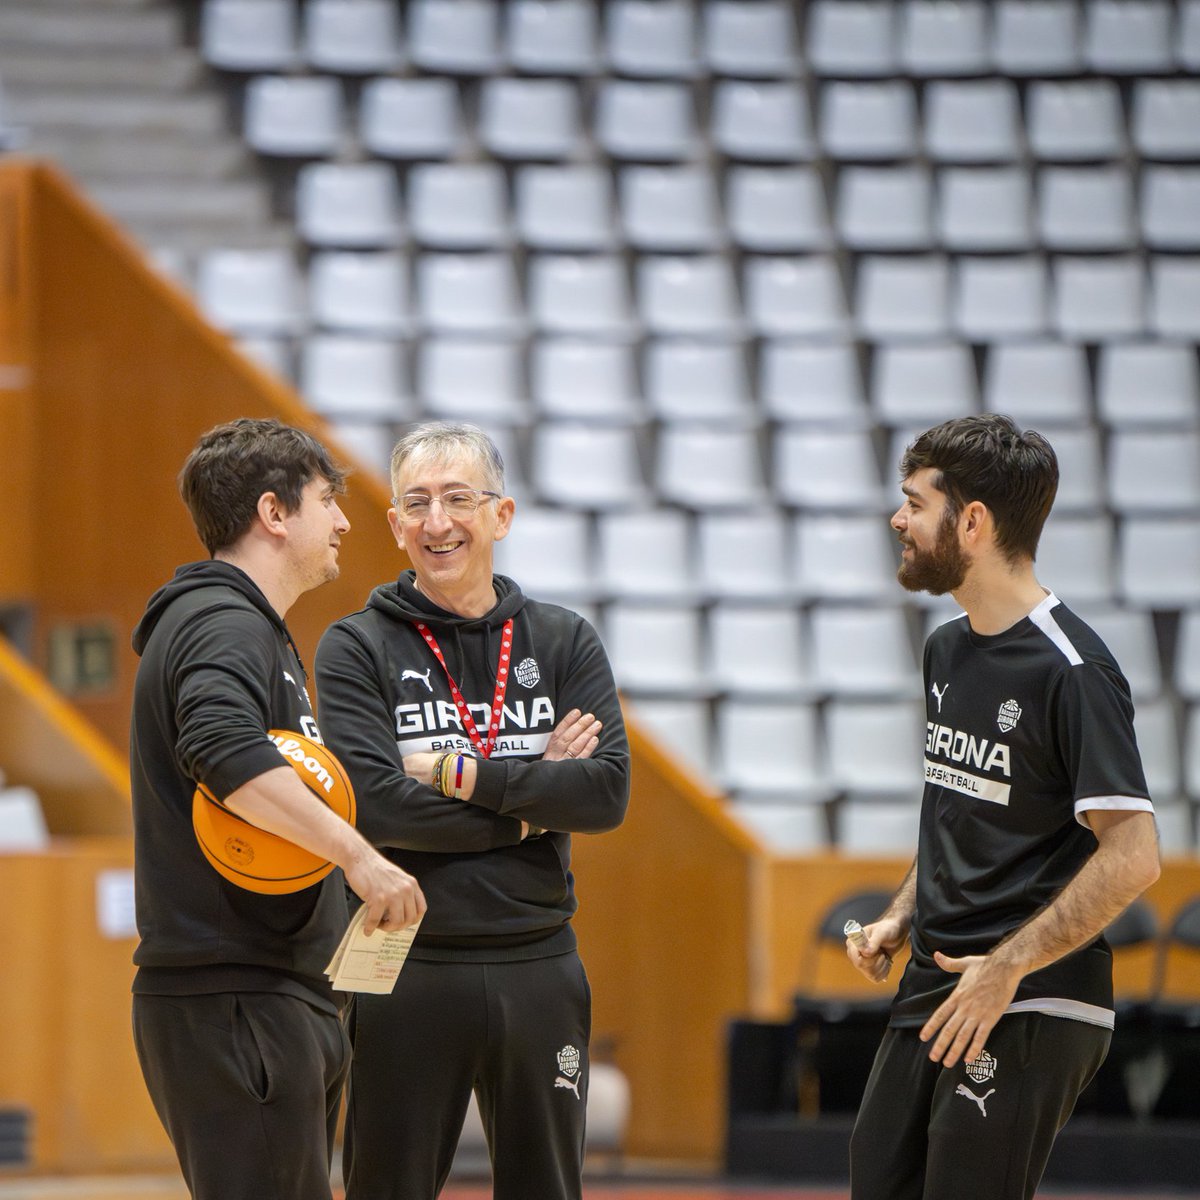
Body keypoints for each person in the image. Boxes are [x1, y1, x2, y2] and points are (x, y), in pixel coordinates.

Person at [846, 414, 1161, 1200]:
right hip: (937, 982)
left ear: (973, 522)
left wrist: (1007, 969)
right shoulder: (945, 649)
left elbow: (1134, 856)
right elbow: (963, 810)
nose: (898, 519)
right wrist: (901, 916)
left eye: (915, 503)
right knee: (875, 1178)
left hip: (1034, 994)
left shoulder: (1075, 670)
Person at [314, 421, 630, 1200]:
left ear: (502, 515)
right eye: (416, 503)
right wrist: (532, 801)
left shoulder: (562, 640)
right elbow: (379, 808)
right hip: (407, 964)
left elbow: (605, 794)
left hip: (540, 963)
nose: (437, 522)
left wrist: (461, 774)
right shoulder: (356, 646)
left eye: (459, 498)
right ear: (394, 525)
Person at [129, 417, 426, 1200]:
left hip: (268, 996)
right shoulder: (221, 621)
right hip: (234, 998)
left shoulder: (250, 629)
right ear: (274, 513)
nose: (344, 521)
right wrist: (358, 858)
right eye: (328, 499)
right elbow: (222, 750)